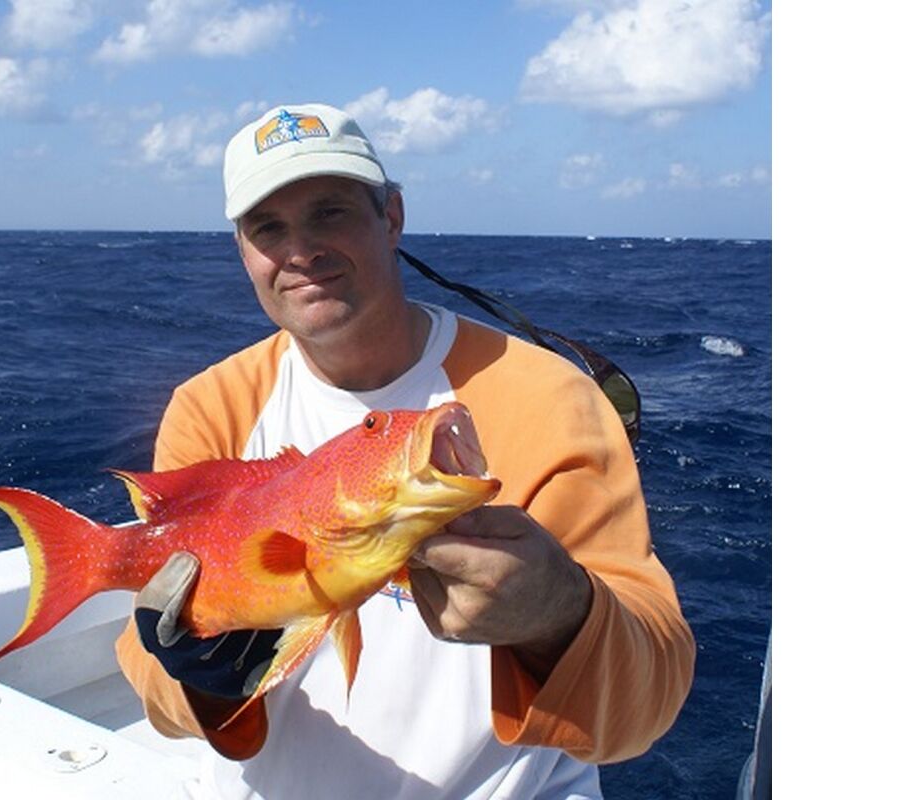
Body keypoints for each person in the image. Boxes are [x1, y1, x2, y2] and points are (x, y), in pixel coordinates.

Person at [115, 102, 695, 799]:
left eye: (330, 212)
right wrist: (194, 676)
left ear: (391, 217)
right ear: (243, 252)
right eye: (268, 228)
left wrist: (561, 615)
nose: (301, 250)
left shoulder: (549, 396)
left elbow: (649, 703)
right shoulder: (210, 408)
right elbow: (155, 682)